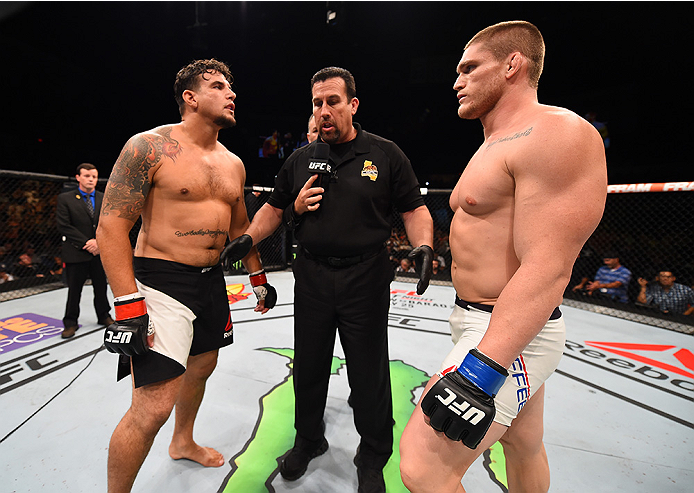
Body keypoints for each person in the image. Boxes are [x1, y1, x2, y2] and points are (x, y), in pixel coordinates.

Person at [398, 21, 607, 493]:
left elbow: (548, 266)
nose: (457, 82)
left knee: (422, 467)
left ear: (513, 64)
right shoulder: (492, 145)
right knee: (523, 443)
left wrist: (483, 366)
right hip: (479, 319)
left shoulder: (556, 132)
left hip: (509, 334)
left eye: (470, 68)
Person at [222, 66, 434, 492]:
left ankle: (373, 454)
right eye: (317, 103)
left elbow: (414, 208)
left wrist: (425, 245)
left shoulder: (385, 154)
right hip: (314, 276)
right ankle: (309, 440)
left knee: (368, 372)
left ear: (352, 105)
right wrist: (246, 238)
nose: (324, 111)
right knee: (311, 366)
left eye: (332, 102)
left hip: (366, 278)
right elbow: (275, 209)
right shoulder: (301, 159)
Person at [95, 59, 276, 493]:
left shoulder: (232, 164)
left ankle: (183, 440)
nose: (231, 94)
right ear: (190, 99)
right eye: (218, 86)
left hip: (212, 280)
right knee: (152, 406)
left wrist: (257, 278)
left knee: (203, 366)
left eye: (231, 87)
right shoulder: (148, 147)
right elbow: (111, 226)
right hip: (160, 280)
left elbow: (239, 229)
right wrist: (127, 303)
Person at [56, 163, 113, 338]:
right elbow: (64, 225)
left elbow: (109, 223)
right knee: (74, 290)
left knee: (101, 287)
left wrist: (99, 243)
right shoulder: (65, 198)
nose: (91, 179)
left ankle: (104, 315)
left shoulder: (104, 197)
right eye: (87, 176)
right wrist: (88, 242)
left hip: (98, 251)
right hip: (76, 251)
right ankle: (70, 322)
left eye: (94, 176)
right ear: (78, 177)